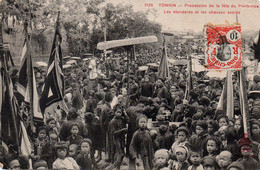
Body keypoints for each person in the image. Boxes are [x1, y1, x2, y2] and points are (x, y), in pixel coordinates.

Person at [109, 104, 129, 170]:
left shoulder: (121, 119)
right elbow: (113, 132)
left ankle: (115, 165)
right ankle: (117, 167)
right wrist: (122, 130)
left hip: (122, 138)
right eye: (117, 112)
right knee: (120, 154)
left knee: (122, 154)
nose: (119, 114)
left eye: (120, 112)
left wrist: (125, 113)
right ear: (114, 112)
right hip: (116, 139)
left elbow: (128, 121)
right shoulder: (113, 121)